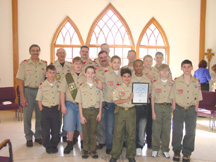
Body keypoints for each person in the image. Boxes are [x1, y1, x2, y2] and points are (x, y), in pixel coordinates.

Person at [170, 60, 202, 162]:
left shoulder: (196, 81)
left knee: (191, 132)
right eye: (184, 66)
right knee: (177, 131)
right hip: (179, 109)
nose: (186, 69)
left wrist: (196, 109)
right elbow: (173, 96)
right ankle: (177, 150)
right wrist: (174, 108)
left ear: (192, 67)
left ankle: (187, 152)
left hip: (191, 109)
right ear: (181, 68)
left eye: (188, 66)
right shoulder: (177, 81)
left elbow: (198, 96)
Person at [16, 44, 47, 147]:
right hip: (28, 92)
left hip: (40, 92)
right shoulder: (24, 64)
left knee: (40, 115)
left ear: (39, 52)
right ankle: (28, 137)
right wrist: (22, 97)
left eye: (37, 51)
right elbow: (20, 82)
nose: (35, 52)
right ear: (30, 52)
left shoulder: (43, 64)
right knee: (27, 116)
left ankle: (38, 135)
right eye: (33, 51)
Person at [75, 66, 103, 159]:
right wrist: (81, 116)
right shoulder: (82, 87)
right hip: (85, 111)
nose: (90, 75)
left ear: (95, 74)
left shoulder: (98, 87)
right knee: (85, 132)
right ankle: (85, 149)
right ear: (85, 74)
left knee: (93, 131)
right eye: (88, 72)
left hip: (95, 111)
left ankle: (93, 149)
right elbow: (79, 102)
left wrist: (99, 113)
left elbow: (100, 101)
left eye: (92, 73)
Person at [59, 57, 86, 154]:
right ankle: (69, 143)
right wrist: (63, 105)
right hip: (70, 104)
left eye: (80, 63)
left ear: (82, 65)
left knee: (81, 124)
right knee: (69, 123)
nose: (78, 65)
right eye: (76, 63)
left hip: (82, 104)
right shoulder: (68, 77)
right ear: (73, 65)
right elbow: (62, 92)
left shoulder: (86, 76)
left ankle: (83, 143)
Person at [109, 68, 136, 162]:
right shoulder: (118, 88)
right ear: (121, 77)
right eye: (124, 76)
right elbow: (116, 101)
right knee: (118, 134)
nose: (127, 78)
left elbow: (140, 99)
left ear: (131, 77)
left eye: (129, 76)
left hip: (131, 112)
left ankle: (131, 155)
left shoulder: (135, 87)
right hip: (120, 112)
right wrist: (129, 98)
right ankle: (115, 155)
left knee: (131, 134)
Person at [99, 55, 122, 154]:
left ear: (120, 63)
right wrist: (98, 81)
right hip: (109, 103)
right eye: (114, 62)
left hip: (121, 104)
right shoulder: (106, 74)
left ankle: (118, 146)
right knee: (109, 127)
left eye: (118, 62)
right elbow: (98, 80)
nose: (116, 64)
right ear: (111, 63)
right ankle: (109, 146)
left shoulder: (124, 74)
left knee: (120, 127)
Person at [36, 65, 60, 154]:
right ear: (46, 73)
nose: (52, 75)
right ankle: (47, 145)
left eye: (54, 73)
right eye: (50, 72)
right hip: (45, 110)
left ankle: (54, 145)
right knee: (45, 130)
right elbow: (39, 99)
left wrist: (59, 107)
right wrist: (42, 110)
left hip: (55, 110)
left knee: (56, 130)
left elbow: (61, 97)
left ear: (55, 74)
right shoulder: (42, 85)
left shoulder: (59, 85)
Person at [151, 64, 173, 158]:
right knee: (156, 129)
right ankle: (155, 148)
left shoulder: (172, 83)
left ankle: (165, 149)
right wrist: (153, 112)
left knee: (166, 129)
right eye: (162, 71)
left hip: (168, 107)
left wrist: (173, 109)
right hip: (157, 107)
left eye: (166, 70)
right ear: (159, 72)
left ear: (169, 72)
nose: (164, 72)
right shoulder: (155, 83)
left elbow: (173, 98)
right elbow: (152, 98)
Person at [51, 48, 72, 142]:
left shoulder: (70, 65)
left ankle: (64, 134)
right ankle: (56, 134)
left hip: (67, 93)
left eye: (63, 53)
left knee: (66, 114)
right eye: (60, 52)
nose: (62, 54)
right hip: (56, 93)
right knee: (57, 115)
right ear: (56, 54)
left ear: (65, 54)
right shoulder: (53, 65)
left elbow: (72, 80)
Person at [131, 59, 151, 156]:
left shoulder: (147, 79)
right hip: (132, 106)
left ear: (143, 67)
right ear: (134, 67)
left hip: (143, 106)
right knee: (131, 127)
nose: (138, 68)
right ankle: (131, 145)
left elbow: (150, 92)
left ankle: (139, 146)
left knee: (142, 127)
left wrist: (148, 94)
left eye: (140, 65)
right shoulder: (129, 78)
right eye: (136, 65)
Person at [143, 55, 159, 149]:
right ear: (143, 61)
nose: (148, 62)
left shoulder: (156, 72)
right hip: (141, 101)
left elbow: (158, 84)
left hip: (152, 100)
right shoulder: (140, 71)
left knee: (150, 123)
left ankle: (150, 141)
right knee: (141, 122)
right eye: (146, 60)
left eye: (150, 61)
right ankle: (140, 140)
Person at [95, 50, 110, 149]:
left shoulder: (114, 69)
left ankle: (111, 141)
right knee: (100, 122)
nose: (103, 59)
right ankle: (101, 141)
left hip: (111, 99)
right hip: (100, 99)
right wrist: (97, 80)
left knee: (111, 123)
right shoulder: (96, 71)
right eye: (101, 58)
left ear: (108, 57)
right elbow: (92, 78)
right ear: (98, 59)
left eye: (105, 57)